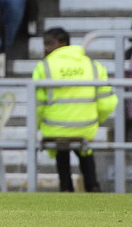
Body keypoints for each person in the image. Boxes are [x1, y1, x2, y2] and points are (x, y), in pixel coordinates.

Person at [32, 27, 117, 192]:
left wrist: (36, 127)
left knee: (61, 151)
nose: (46, 49)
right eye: (45, 44)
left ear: (63, 43)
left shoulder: (44, 67)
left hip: (55, 128)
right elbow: (107, 103)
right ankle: (93, 187)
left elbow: (37, 106)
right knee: (85, 152)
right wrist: (96, 120)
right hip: (86, 127)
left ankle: (66, 189)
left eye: (49, 44)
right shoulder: (93, 66)